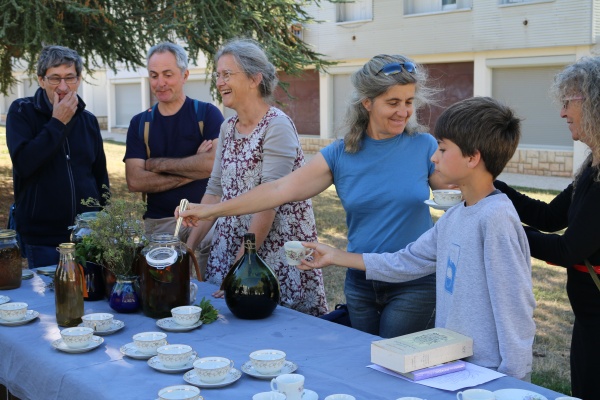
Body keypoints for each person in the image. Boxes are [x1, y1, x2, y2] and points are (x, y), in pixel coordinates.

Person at [179, 54, 446, 336]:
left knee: (395, 365)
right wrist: (208, 210)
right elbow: (278, 190)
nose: (403, 112)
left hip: (413, 282)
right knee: (364, 363)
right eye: (393, 102)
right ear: (367, 102)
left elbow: (457, 201)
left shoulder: (424, 146)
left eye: (408, 102)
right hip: (360, 281)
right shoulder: (341, 154)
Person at [297, 97, 536, 379]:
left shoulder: (495, 219)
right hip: (454, 366)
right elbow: (407, 261)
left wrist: (513, 381)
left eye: (443, 149)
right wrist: (336, 256)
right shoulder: (455, 215)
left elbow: (516, 310)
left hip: (489, 377)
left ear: (473, 157)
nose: (434, 157)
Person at [184, 39, 327, 316]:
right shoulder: (227, 128)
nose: (220, 82)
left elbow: (268, 202)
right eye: (218, 75)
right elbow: (215, 190)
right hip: (230, 250)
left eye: (227, 74)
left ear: (254, 78)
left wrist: (241, 271)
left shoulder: (277, 126)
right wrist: (189, 249)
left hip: (269, 259)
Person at [494, 57, 600, 398]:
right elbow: (549, 217)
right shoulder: (593, 166)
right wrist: (492, 186)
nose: (562, 113)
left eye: (568, 102)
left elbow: (569, 250)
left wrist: (504, 227)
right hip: (589, 316)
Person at [124, 42, 224, 275]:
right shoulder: (140, 123)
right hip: (159, 224)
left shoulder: (207, 114)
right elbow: (135, 181)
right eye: (154, 75)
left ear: (185, 75)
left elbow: (212, 165)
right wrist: (193, 167)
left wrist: (156, 165)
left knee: (209, 286)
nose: (160, 83)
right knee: (166, 292)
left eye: (168, 74)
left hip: (203, 217)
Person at [6, 45, 109, 268]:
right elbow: (24, 163)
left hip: (88, 234)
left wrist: (106, 220)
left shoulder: (88, 120)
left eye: (69, 78)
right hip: (42, 237)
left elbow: (100, 177)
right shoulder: (22, 112)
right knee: (49, 300)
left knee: (91, 298)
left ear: (79, 79)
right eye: (55, 79)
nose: (63, 87)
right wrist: (57, 123)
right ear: (41, 80)